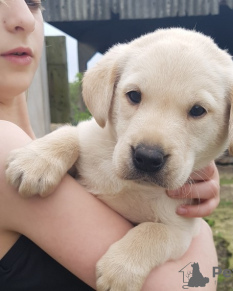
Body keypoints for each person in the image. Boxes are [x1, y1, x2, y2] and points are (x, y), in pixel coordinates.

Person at [0, 0, 220, 290]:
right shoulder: (5, 144)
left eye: (32, 2)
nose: (23, 17)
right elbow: (188, 285)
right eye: (134, 96)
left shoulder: (37, 145)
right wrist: (197, 226)